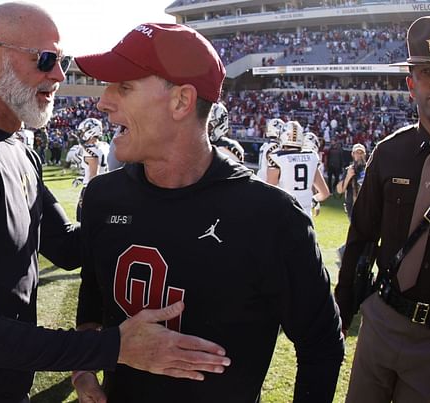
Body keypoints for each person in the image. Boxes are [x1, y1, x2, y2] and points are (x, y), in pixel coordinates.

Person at [0, 4, 230, 403]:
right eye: (46, 60)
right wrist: (113, 346)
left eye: (61, 61)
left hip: (5, 384)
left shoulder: (15, 145)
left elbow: (69, 248)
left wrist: (154, 201)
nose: (58, 75)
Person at [73, 22, 344, 402]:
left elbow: (321, 344)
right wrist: (84, 370)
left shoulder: (270, 217)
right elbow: (93, 298)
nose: (103, 101)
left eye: (124, 86)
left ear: (181, 102)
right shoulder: (103, 197)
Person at [335, 16, 430, 403]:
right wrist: (342, 317)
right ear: (411, 85)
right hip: (381, 320)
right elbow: (360, 239)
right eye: (426, 72)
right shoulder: (387, 154)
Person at [267, 121, 331, 217]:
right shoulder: (312, 157)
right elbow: (325, 193)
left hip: (285, 213)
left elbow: (269, 193)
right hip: (305, 216)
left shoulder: (276, 157)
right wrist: (312, 200)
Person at [75, 118, 108, 221]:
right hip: (105, 187)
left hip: (93, 189)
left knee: (85, 223)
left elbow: (94, 176)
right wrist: (82, 178)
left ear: (91, 131)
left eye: (83, 131)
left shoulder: (90, 150)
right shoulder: (105, 146)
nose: (81, 134)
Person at [336, 143, 367, 221]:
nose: (360, 155)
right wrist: (348, 177)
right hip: (352, 208)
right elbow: (339, 190)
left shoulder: (370, 170)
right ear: (353, 154)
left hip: (367, 207)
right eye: (357, 153)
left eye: (361, 153)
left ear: (365, 154)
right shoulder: (349, 170)